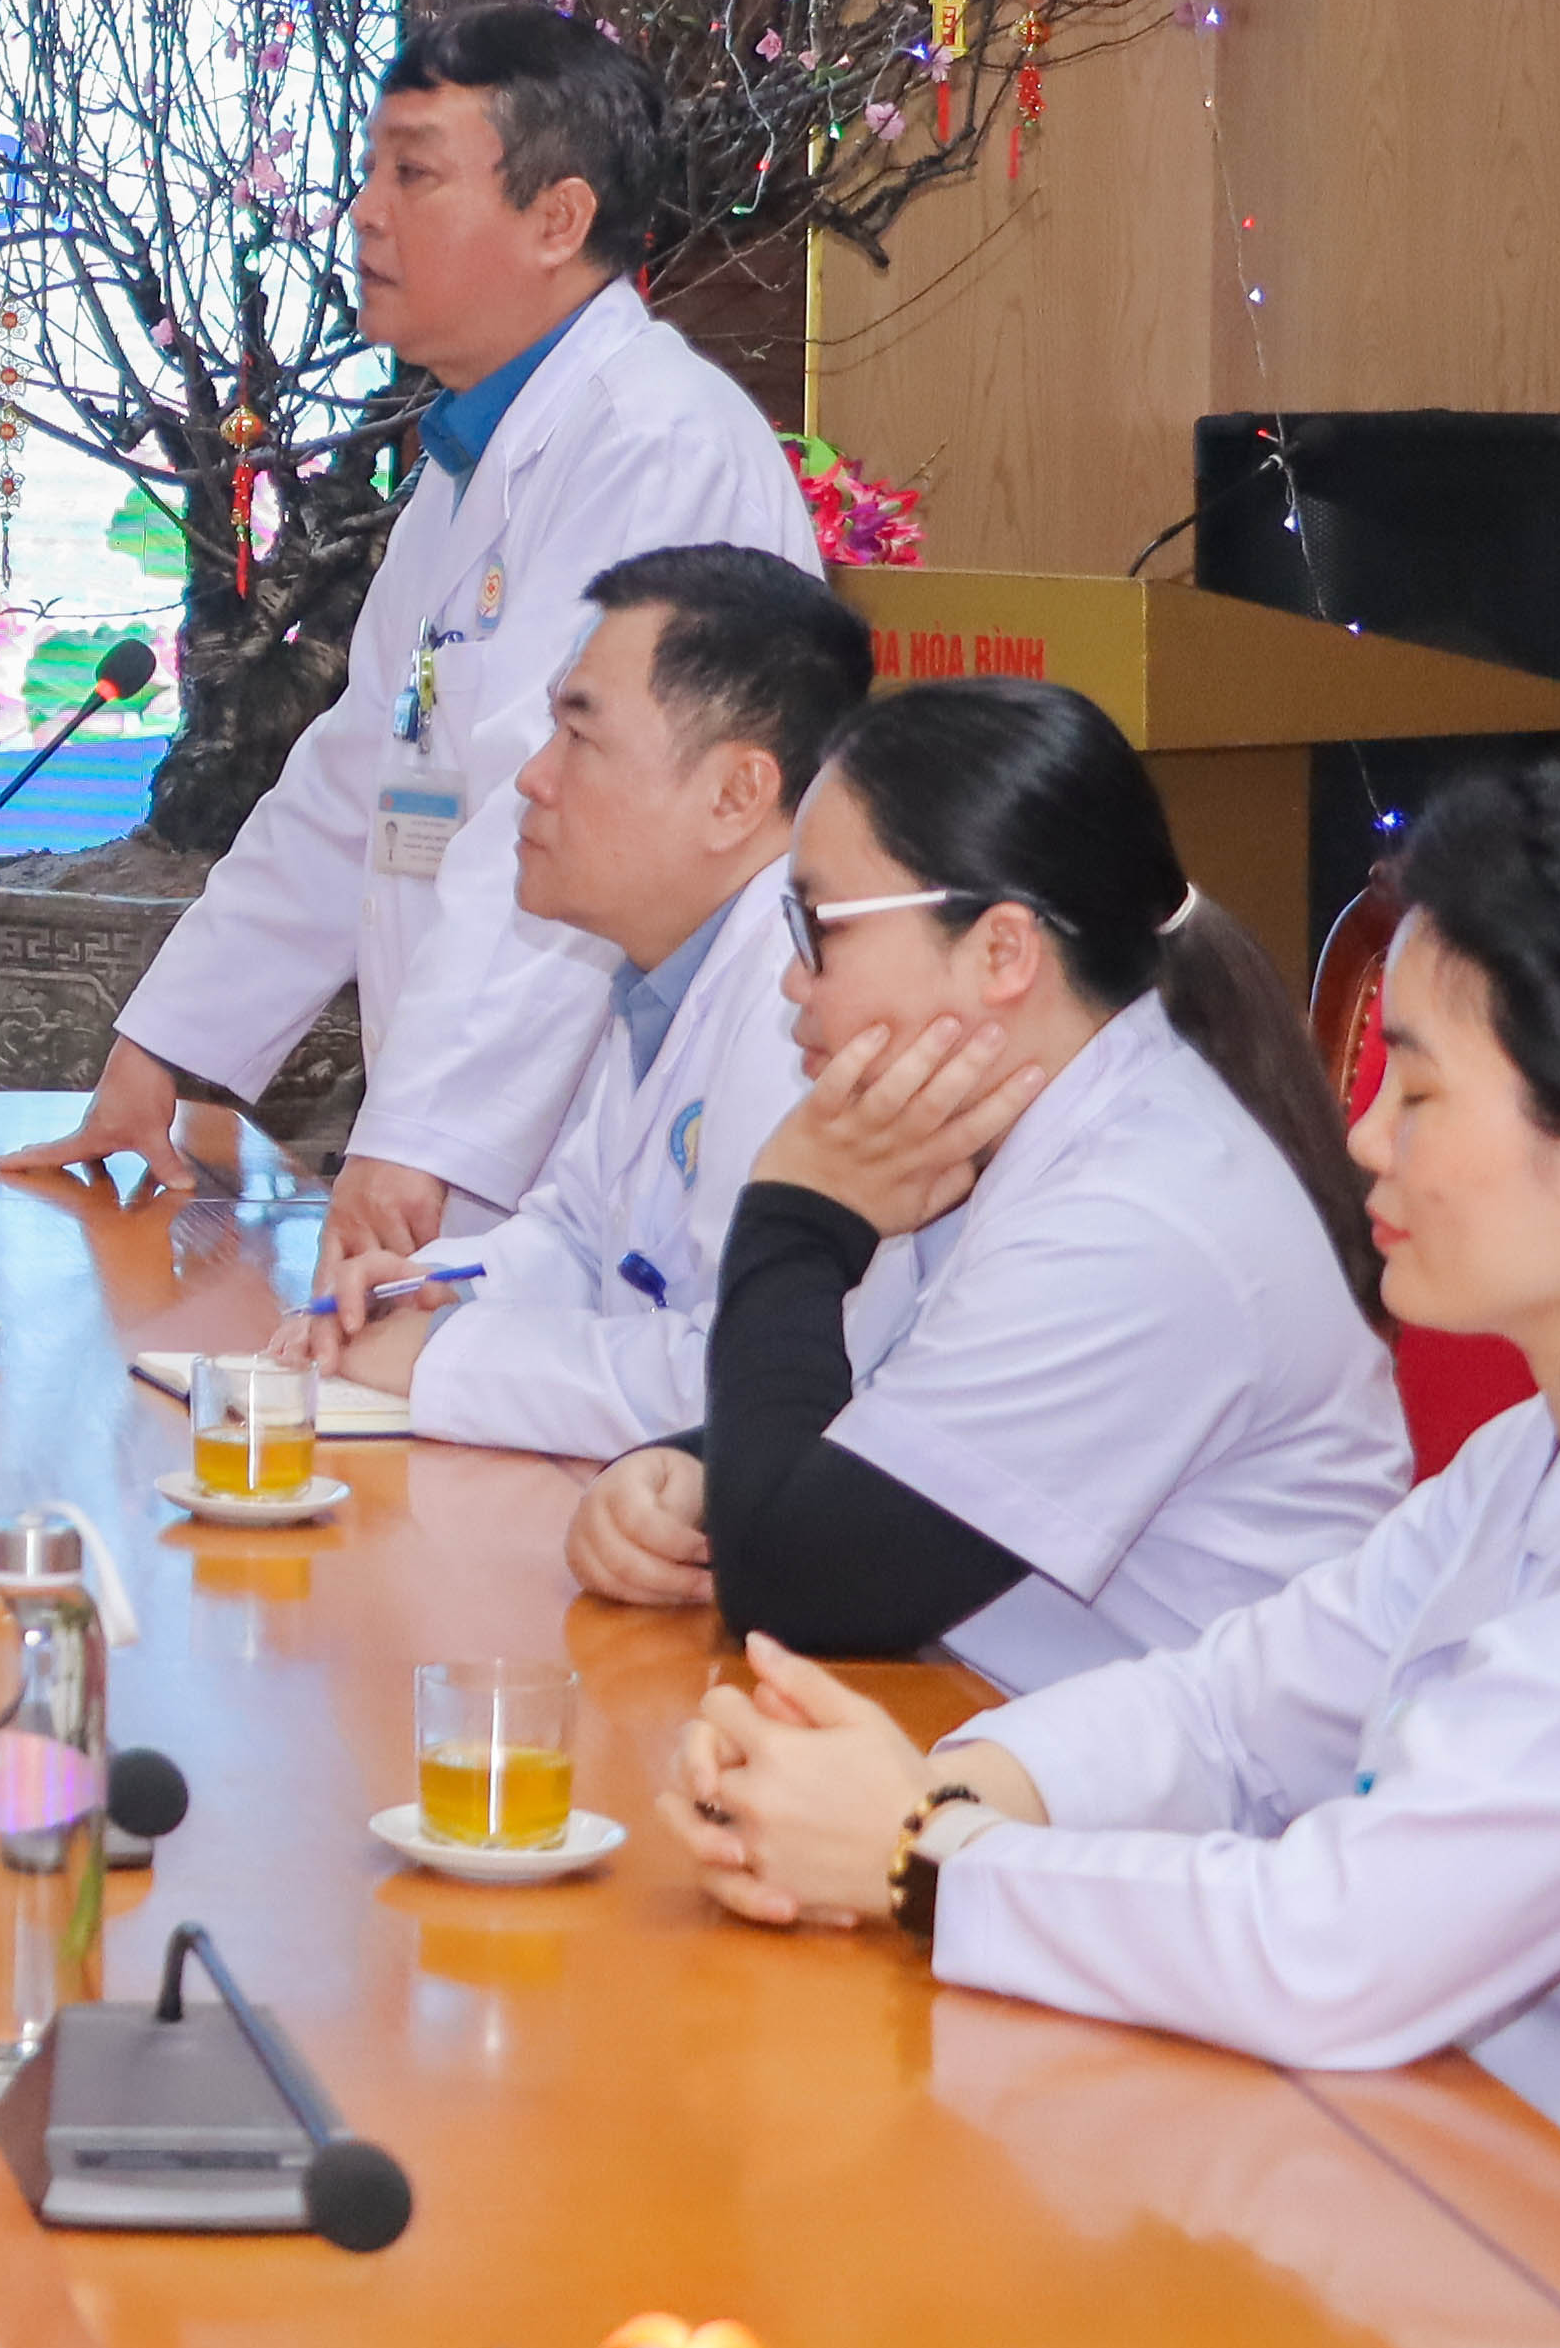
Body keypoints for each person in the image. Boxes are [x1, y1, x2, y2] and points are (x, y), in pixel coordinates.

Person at [677, 756, 1560, 2348]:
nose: (1361, 1133)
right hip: (1478, 2269)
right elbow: (1232, 1707)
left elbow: (1343, 1944)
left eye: (1418, 1091)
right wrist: (937, 1784)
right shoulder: (1548, 1452)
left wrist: (919, 1855)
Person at [11, 8, 811, 1285]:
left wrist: (420, 1141)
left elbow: (553, 813)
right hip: (482, 1158)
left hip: (597, 1157)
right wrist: (163, 1050)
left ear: (557, 218)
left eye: (415, 173)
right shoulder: (470, 457)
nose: (364, 214)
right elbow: (358, 783)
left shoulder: (654, 445)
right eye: (370, 169)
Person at [562, 676, 1407, 1684]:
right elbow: (870, 1437)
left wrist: (793, 1219)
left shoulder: (1137, 1220)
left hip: (1165, 1778)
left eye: (819, 926)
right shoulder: (1002, 1131)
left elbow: (794, 1583)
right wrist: (681, 1470)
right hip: (996, 1722)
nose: (791, 979)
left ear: (1003, 949)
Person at [288, 542, 886, 1456]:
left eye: (581, 736)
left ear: (736, 795)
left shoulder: (803, 1004)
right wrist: (424, 1286)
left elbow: (737, 1377)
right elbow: (582, 1238)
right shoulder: (671, 962)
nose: (534, 778)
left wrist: (440, 1358)